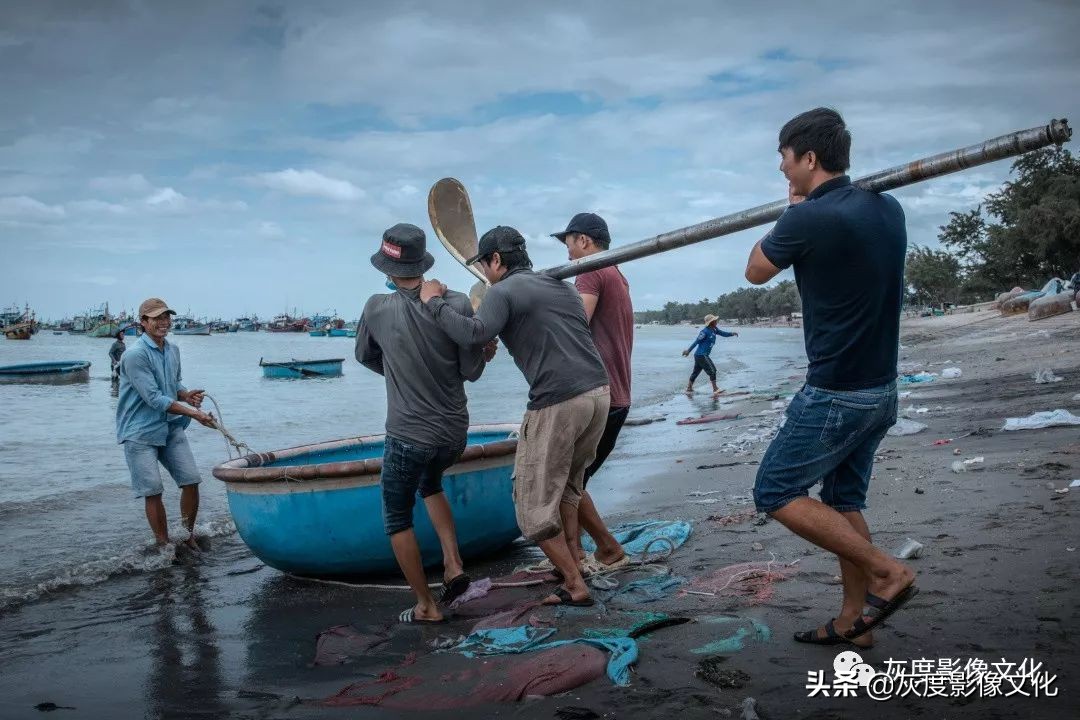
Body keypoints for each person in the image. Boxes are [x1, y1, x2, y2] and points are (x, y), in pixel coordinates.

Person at [744, 107, 917, 647]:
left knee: (774, 489)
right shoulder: (888, 207)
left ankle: (886, 571)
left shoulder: (806, 218)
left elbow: (754, 270)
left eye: (784, 157)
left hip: (837, 392)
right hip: (881, 388)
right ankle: (853, 622)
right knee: (844, 501)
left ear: (810, 158)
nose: (781, 168)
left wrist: (791, 212)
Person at [420, 226, 618, 607]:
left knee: (531, 507)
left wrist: (434, 302)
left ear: (496, 260)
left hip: (557, 401)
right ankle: (571, 565)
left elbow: (471, 334)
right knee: (567, 491)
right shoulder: (559, 284)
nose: (484, 270)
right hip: (597, 394)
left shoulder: (504, 291)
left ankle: (576, 585)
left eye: (484, 262)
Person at [356, 223, 497, 624]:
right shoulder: (454, 302)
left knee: (396, 516)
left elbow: (365, 356)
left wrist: (403, 373)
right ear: (423, 262)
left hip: (408, 435)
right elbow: (472, 371)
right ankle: (453, 565)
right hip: (454, 433)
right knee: (430, 483)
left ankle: (426, 605)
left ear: (387, 269)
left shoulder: (375, 308)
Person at [552, 212, 632, 572]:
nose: (567, 253)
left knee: (567, 481)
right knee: (573, 479)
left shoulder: (590, 269)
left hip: (603, 395)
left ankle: (604, 550)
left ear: (583, 241)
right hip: (617, 393)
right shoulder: (615, 272)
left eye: (568, 242)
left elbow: (575, 324)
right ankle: (581, 554)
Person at [116, 298, 217, 550]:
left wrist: (186, 395)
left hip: (171, 427)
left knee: (191, 481)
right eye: (156, 318)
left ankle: (187, 535)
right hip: (139, 432)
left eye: (166, 317)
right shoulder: (134, 355)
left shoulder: (172, 349)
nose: (163, 322)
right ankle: (164, 545)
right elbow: (153, 398)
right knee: (153, 490)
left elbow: (173, 384)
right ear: (143, 322)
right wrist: (195, 414)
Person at [682, 315, 738, 395]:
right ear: (711, 322)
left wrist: (732, 334)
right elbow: (696, 342)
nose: (716, 321)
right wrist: (688, 351)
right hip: (701, 355)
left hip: (700, 355)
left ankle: (689, 388)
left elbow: (723, 333)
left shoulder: (714, 329)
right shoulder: (704, 332)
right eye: (715, 320)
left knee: (696, 372)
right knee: (712, 370)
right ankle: (715, 389)